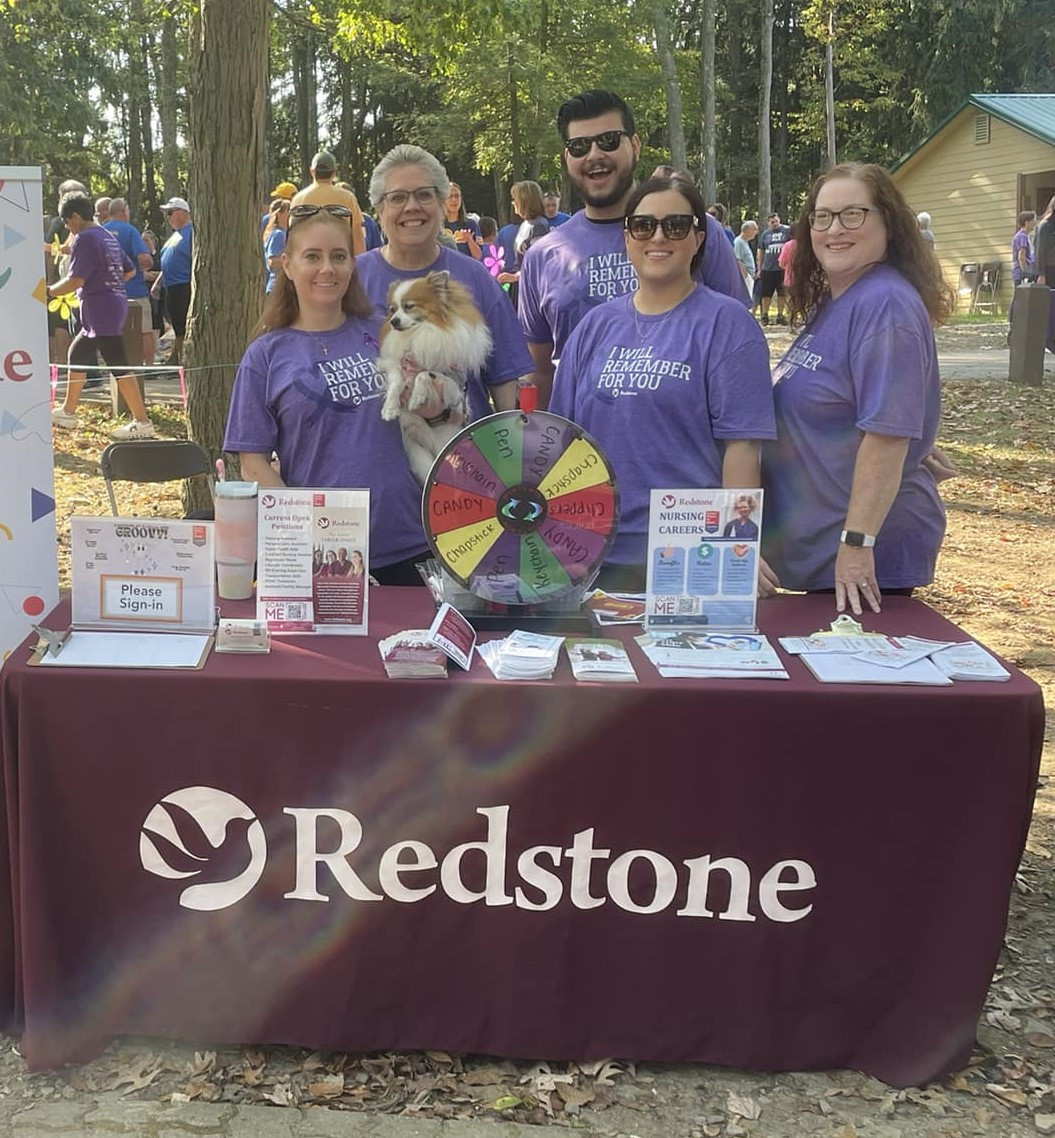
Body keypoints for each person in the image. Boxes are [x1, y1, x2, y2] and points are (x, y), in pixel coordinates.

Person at [549, 176, 776, 593]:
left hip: (688, 554)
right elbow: (562, 441)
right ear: (627, 237)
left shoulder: (728, 324)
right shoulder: (594, 326)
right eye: (643, 225)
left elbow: (743, 446)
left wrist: (737, 542)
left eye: (675, 226)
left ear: (697, 238)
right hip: (589, 554)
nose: (658, 236)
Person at [762, 161, 955, 616]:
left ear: (888, 221)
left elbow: (887, 435)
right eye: (822, 216)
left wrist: (856, 543)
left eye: (853, 214)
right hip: (823, 549)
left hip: (860, 559)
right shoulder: (843, 300)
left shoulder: (885, 304)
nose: (834, 229)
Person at [224, 205, 428, 584]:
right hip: (325, 555)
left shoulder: (385, 331)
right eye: (312, 257)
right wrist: (311, 540)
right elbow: (253, 464)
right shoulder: (266, 355)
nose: (327, 269)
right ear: (287, 264)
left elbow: (432, 413)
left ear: (353, 264)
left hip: (408, 539)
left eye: (338, 256)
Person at [518, 89, 748, 408]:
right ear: (567, 157)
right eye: (579, 146)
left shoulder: (693, 230)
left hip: (684, 449)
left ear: (635, 145)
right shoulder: (541, 256)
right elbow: (539, 374)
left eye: (610, 140)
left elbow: (737, 349)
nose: (595, 154)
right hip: (580, 451)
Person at [357, 144, 532, 419]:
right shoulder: (352, 279)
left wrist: (514, 451)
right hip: (375, 456)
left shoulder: (476, 279)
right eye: (398, 197)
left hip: (463, 455)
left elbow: (506, 380)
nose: (412, 207)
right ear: (379, 208)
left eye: (425, 195)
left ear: (442, 204)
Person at [48, 192, 157, 438]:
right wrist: (108, 282)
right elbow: (128, 271)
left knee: (116, 362)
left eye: (66, 221)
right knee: (78, 354)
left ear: (76, 217)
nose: (66, 226)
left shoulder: (85, 239)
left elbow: (76, 280)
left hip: (101, 309)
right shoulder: (106, 236)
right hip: (110, 305)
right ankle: (68, 411)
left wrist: (47, 292)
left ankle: (142, 422)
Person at [105, 197, 154, 367]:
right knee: (145, 331)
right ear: (124, 211)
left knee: (112, 332)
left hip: (109, 294)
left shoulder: (100, 231)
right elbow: (144, 258)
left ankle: (118, 367)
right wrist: (148, 261)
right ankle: (148, 367)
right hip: (135, 291)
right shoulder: (130, 230)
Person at [291, 151, 366, 256]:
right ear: (334, 172)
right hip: (339, 257)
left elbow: (292, 236)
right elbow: (357, 236)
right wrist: (360, 264)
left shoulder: (299, 199)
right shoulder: (347, 197)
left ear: (312, 171)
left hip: (308, 257)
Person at [155, 196, 193, 364]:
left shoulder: (192, 232)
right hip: (171, 287)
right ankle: (176, 357)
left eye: (170, 213)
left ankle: (178, 359)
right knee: (176, 323)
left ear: (183, 212)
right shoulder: (174, 236)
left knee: (183, 325)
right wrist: (158, 282)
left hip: (184, 285)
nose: (167, 217)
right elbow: (167, 261)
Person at [497, 181, 549, 293]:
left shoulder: (539, 226)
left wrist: (515, 277)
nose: (513, 202)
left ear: (525, 201)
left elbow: (539, 265)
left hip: (533, 290)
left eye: (515, 199)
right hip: (521, 286)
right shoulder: (525, 224)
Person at [756, 212, 791, 326]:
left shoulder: (787, 231)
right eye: (772, 222)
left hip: (782, 268)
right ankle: (765, 315)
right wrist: (759, 268)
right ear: (768, 223)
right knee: (766, 294)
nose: (774, 224)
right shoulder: (765, 234)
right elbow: (761, 251)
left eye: (776, 221)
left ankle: (780, 315)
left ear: (779, 220)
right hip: (768, 268)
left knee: (782, 293)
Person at [442, 182, 482, 258]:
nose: (454, 200)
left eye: (457, 196)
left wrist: (470, 240)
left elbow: (478, 256)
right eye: (450, 196)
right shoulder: (436, 227)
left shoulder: (471, 224)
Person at [262, 198, 289, 293]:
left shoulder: (285, 233)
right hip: (275, 287)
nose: (291, 214)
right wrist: (293, 263)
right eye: (288, 211)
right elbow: (272, 262)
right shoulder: (278, 234)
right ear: (280, 214)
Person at [733, 220, 758, 299]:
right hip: (745, 278)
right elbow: (737, 260)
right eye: (754, 229)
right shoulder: (739, 242)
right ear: (747, 230)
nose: (756, 232)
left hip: (748, 276)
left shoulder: (744, 242)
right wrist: (746, 276)